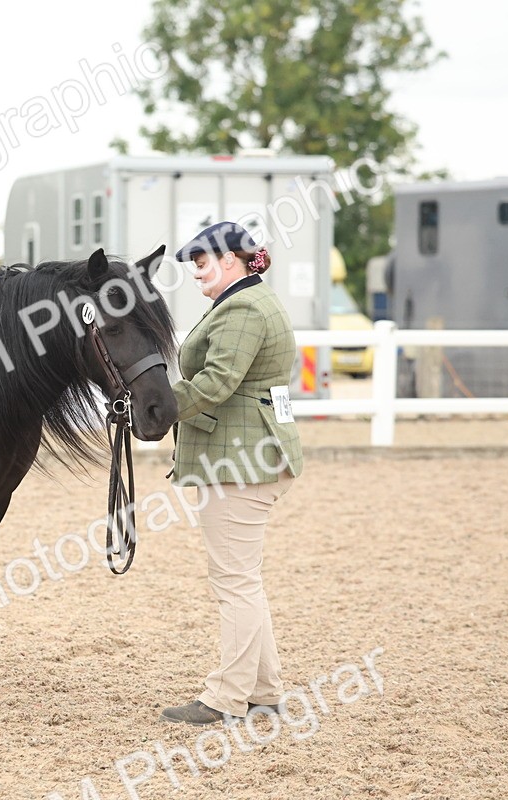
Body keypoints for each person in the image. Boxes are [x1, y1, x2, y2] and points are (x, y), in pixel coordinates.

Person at [160, 221, 304, 726]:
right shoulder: (247, 301)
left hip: (239, 458)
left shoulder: (243, 307)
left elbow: (218, 381)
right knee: (243, 578)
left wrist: (155, 405)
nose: (195, 271)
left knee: (234, 581)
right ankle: (265, 691)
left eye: (201, 261)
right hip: (251, 454)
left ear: (230, 260)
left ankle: (226, 698)